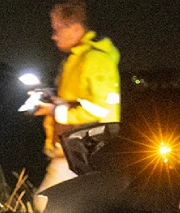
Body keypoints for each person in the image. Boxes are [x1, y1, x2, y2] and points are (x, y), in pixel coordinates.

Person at [32, 1, 121, 198]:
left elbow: (101, 110)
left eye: (57, 29)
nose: (53, 36)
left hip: (84, 153)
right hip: (71, 152)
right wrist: (51, 104)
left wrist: (57, 112)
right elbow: (75, 100)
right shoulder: (75, 59)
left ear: (75, 28)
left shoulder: (95, 60)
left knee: (44, 204)